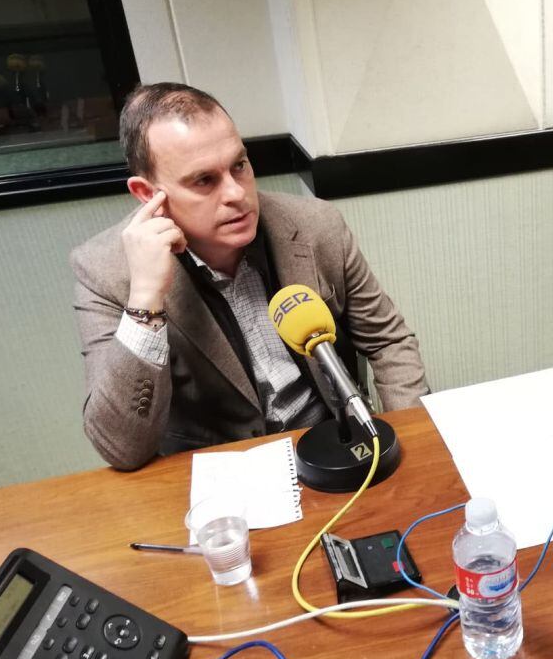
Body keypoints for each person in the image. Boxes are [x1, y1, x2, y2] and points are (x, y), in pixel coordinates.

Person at [72, 83, 428, 471]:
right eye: (204, 181)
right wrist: (144, 300)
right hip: (220, 476)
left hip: (333, 447)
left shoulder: (315, 226)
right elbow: (122, 448)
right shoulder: (105, 271)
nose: (236, 194)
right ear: (146, 193)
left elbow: (389, 342)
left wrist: (410, 437)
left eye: (239, 166)